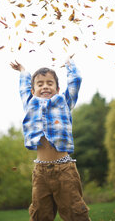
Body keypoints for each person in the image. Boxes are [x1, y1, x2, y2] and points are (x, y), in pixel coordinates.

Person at [10, 58, 91, 221]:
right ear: (33, 91)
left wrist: (70, 65)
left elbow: (75, 82)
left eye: (49, 83)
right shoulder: (30, 104)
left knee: (75, 212)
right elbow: (23, 89)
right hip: (40, 173)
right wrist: (24, 71)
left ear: (58, 88)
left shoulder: (64, 102)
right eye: (40, 84)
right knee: (39, 214)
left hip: (65, 170)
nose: (45, 86)